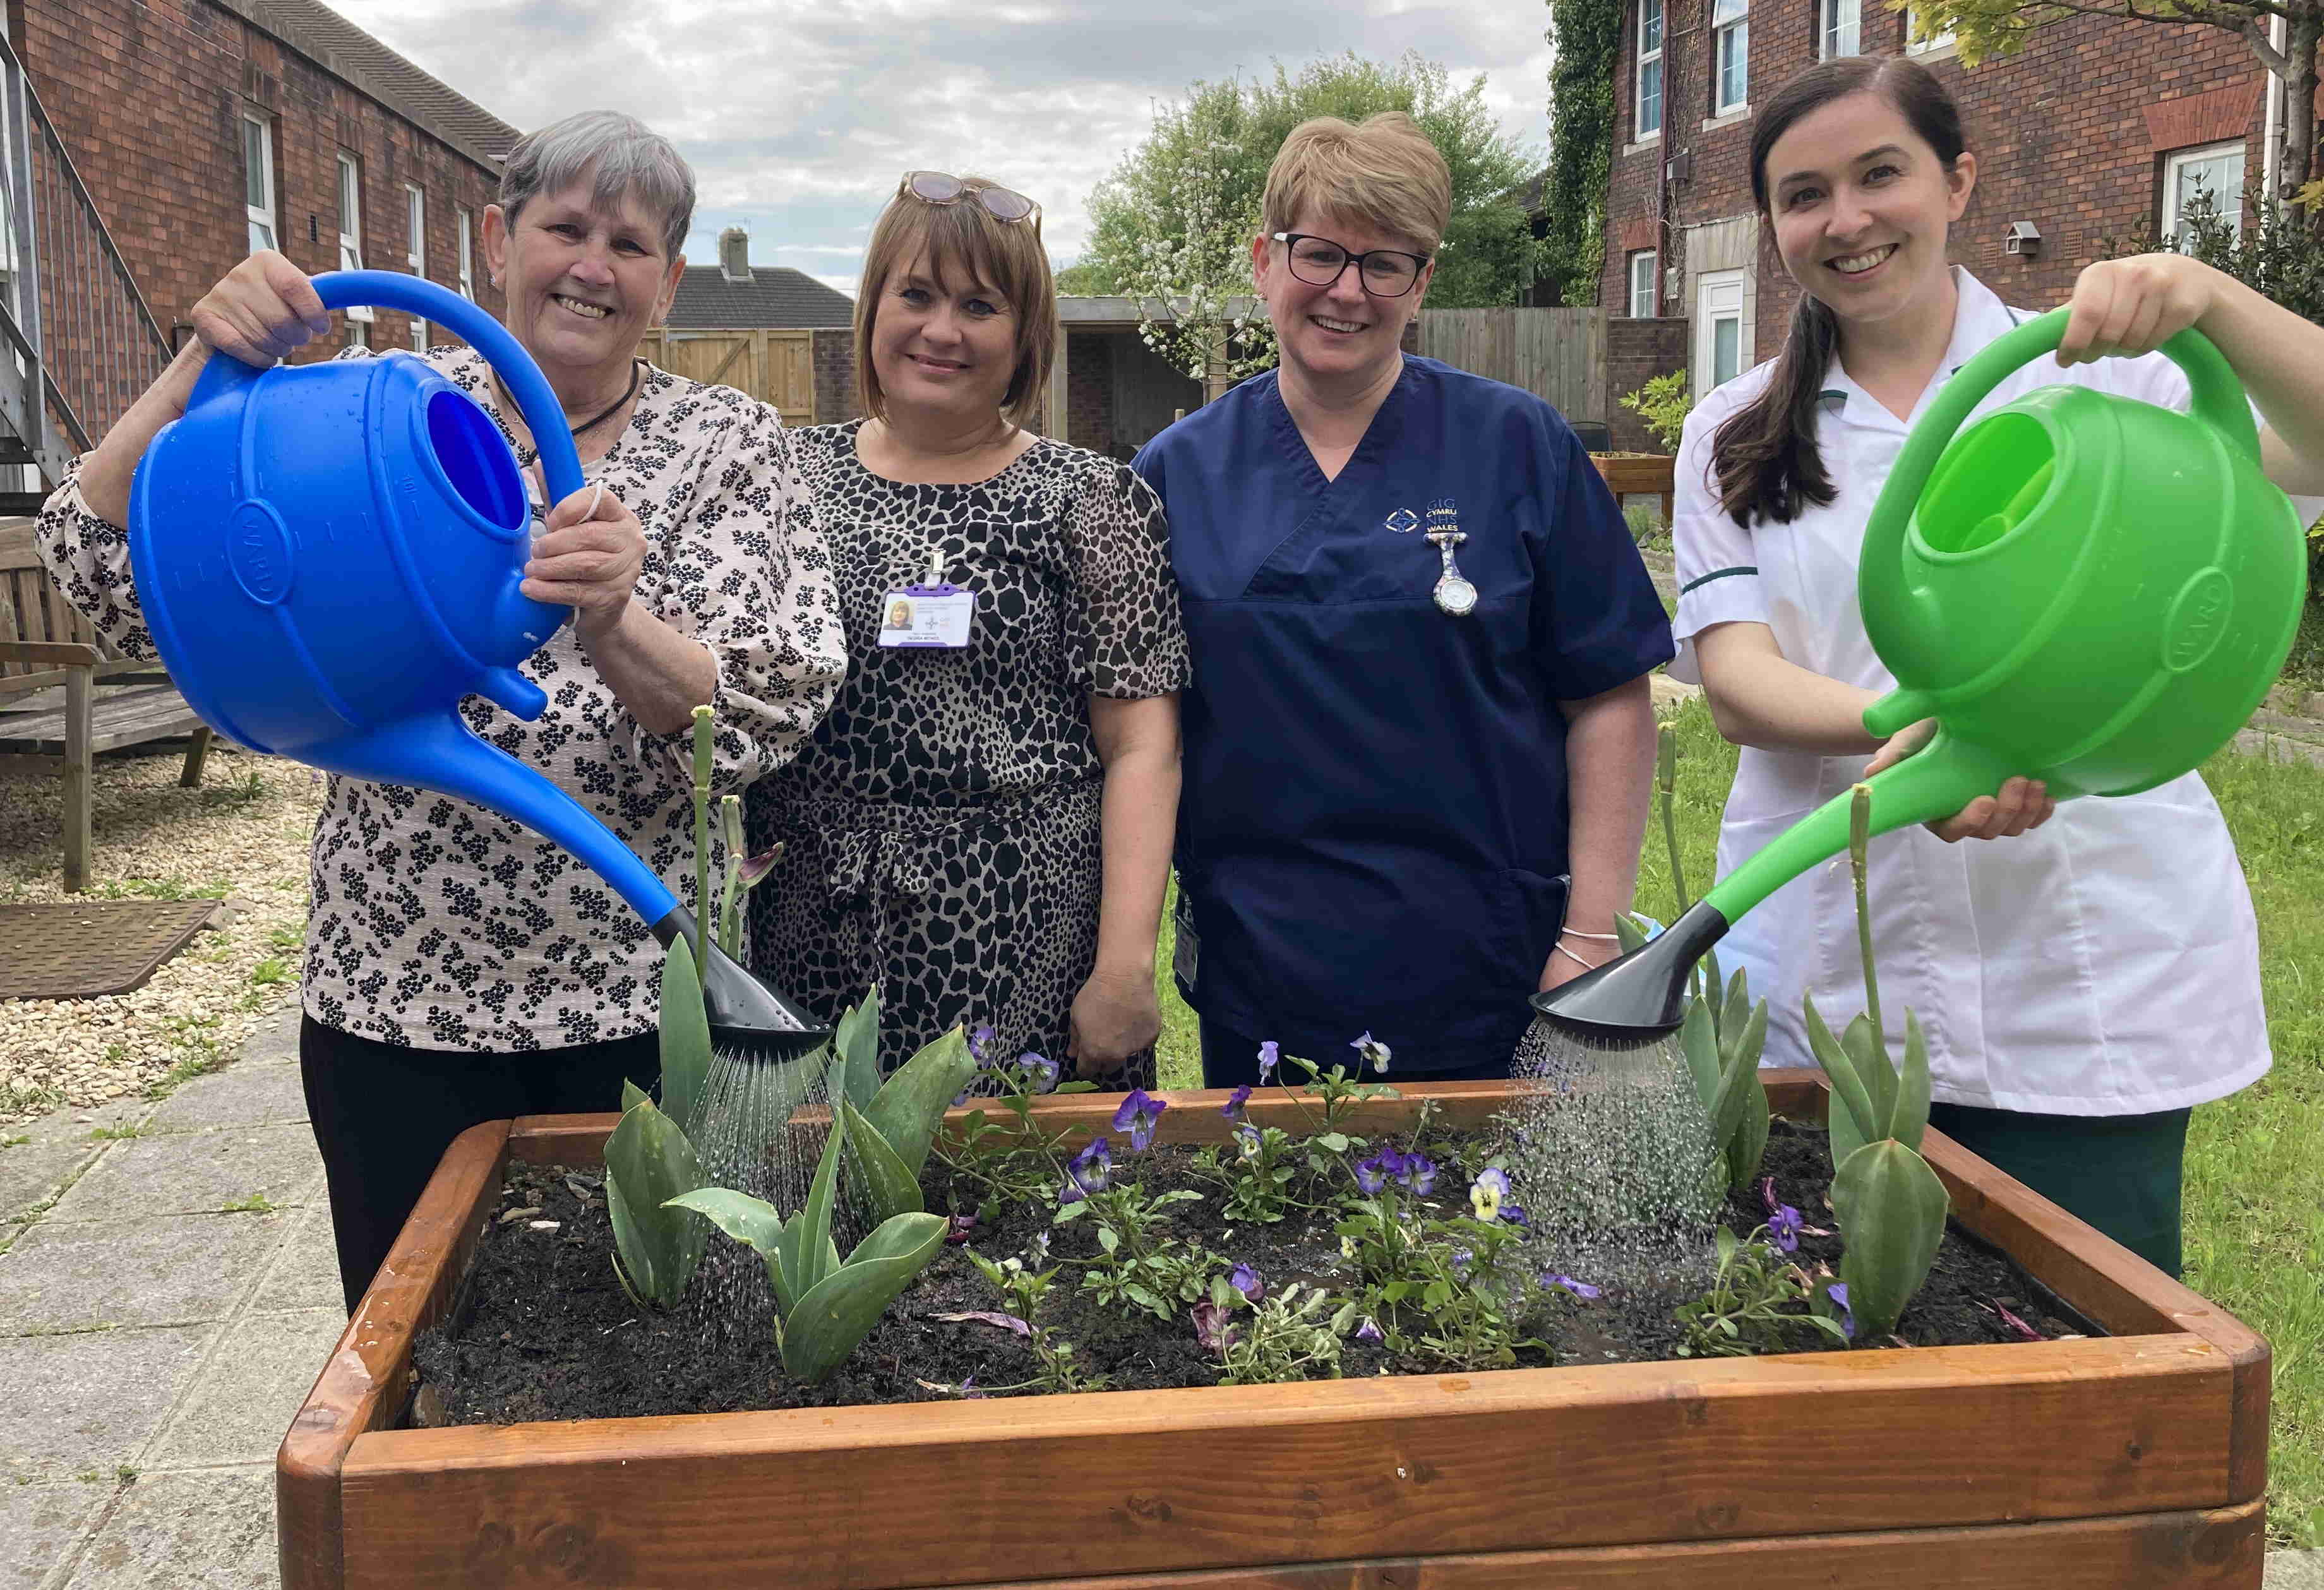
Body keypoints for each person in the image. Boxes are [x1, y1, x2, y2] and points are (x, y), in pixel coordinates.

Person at [37, 110, 846, 1311]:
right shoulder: (367, 408)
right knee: (414, 1344)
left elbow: (766, 714)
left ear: (669, 283)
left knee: (643, 1347)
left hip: (643, 1007)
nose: (592, 266)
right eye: (565, 228)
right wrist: (203, 363)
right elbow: (102, 575)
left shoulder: (727, 443)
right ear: (496, 242)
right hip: (395, 998)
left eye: (629, 245)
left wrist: (619, 623)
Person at [1673, 54, 2324, 1276]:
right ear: (1772, 228)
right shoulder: (1734, 429)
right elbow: (1738, 681)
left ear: (1959, 182)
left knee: (2088, 1336)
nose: (1847, 220)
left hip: (2085, 980)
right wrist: (1910, 730)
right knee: (1820, 1325)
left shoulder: (2120, 375)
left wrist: (2213, 299)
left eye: (1881, 175)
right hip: (1831, 973)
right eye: (1804, 195)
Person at [1134, 114, 1672, 1087]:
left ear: (1422, 284)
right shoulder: (1177, 475)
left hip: (1490, 958)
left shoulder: (1520, 448)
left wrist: (1593, 935)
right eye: (1319, 253)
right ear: (1264, 261)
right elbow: (1141, 736)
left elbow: (1609, 697)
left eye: (1385, 263)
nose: (1348, 290)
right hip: (1261, 964)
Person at [746, 171, 1187, 1088]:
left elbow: (1143, 747)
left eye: (979, 305)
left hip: (1023, 937)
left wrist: (1123, 970)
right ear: (874, 307)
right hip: (806, 927)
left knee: (1015, 1176)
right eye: (916, 294)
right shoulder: (785, 478)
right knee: (812, 1175)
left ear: (1025, 336)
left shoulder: (1090, 501)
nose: (941, 330)